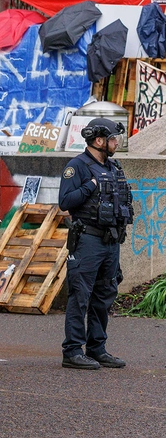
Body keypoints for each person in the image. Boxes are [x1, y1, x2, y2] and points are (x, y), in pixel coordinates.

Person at [58, 118, 132, 370]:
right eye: (112, 139)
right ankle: (72, 351)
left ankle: (97, 348)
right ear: (98, 140)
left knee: (105, 295)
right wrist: (90, 185)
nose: (116, 143)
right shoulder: (76, 166)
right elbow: (65, 202)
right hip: (87, 239)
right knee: (81, 295)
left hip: (111, 240)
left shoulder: (113, 167)